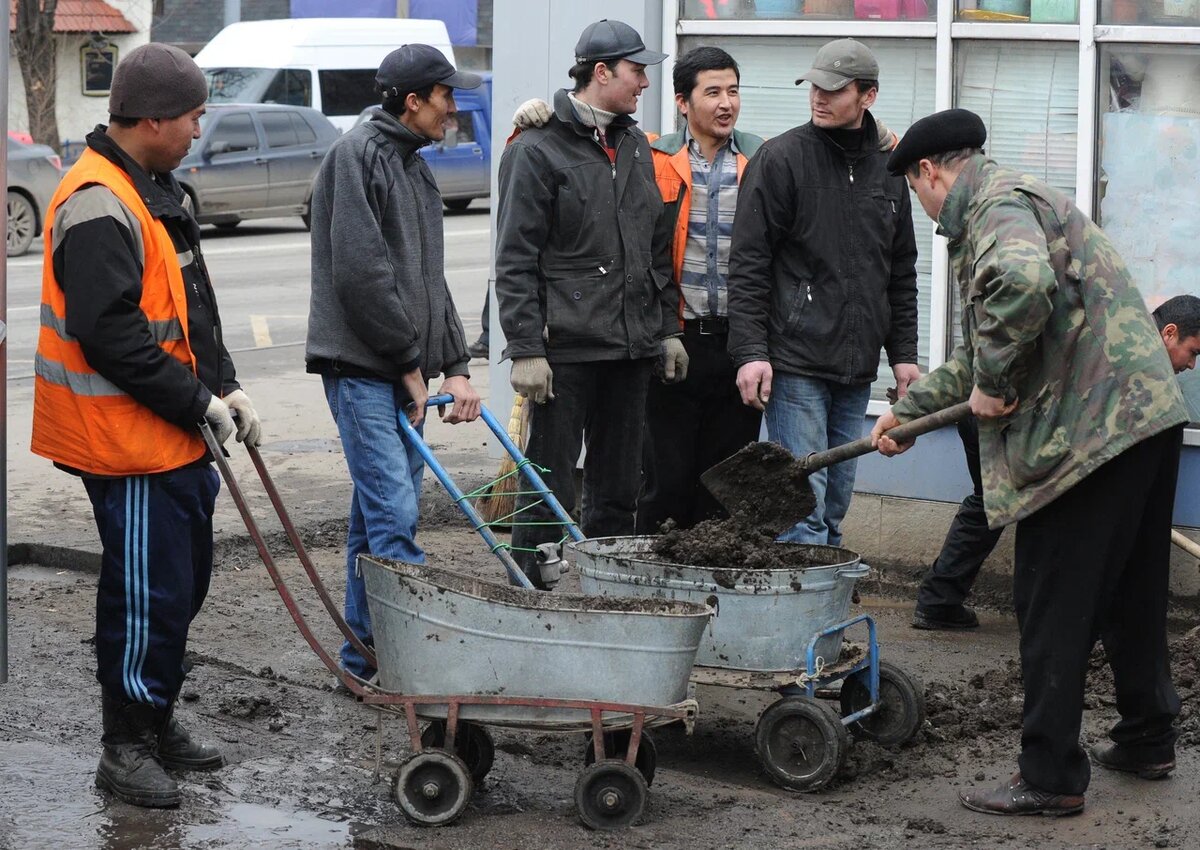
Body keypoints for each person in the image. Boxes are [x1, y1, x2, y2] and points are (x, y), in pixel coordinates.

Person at [873, 108, 1190, 815]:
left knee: (1051, 597)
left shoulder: (992, 208)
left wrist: (992, 385)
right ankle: (1146, 735)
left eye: (916, 191)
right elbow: (985, 343)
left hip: (1091, 432)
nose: (922, 209)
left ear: (930, 172)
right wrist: (911, 413)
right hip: (1145, 415)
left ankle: (1048, 776)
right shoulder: (1023, 198)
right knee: (1132, 591)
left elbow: (1019, 288)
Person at [31, 43, 261, 808]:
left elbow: (192, 310)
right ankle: (124, 747)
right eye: (194, 115)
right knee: (144, 596)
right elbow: (111, 334)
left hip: (172, 435)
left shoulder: (158, 188)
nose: (201, 128)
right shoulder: (97, 200)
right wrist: (198, 403)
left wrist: (226, 385)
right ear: (154, 119)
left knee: (181, 584)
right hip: (126, 443)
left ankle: (154, 718)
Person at [306, 44, 482, 683]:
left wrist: (455, 362)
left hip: (399, 370)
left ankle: (363, 661)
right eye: (445, 97)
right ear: (414, 101)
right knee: (396, 517)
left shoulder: (413, 167)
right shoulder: (357, 157)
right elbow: (361, 275)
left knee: (374, 519)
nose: (453, 110)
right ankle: (415, 667)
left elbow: (427, 282)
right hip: (359, 369)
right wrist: (410, 363)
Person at [494, 19, 678, 586]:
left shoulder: (635, 147)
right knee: (548, 482)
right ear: (602, 73)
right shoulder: (537, 149)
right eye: (636, 70)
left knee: (620, 486)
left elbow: (653, 249)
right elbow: (515, 258)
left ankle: (608, 591)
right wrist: (526, 348)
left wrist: (665, 329)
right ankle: (530, 589)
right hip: (564, 353)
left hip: (629, 349)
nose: (645, 82)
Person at [727, 38, 919, 547]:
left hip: (857, 365)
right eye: (814, 86)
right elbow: (748, 265)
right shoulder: (781, 160)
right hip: (796, 361)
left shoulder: (890, 168)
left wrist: (903, 355)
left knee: (835, 503)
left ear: (868, 96)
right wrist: (750, 353)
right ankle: (800, 619)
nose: (819, 97)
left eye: (834, 90)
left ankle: (823, 618)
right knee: (803, 508)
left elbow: (900, 270)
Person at [912, 292, 1200, 631]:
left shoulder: (1127, 333)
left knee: (995, 506)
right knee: (1021, 509)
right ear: (1169, 332)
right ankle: (1042, 620)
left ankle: (942, 601)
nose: (1192, 365)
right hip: (999, 413)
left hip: (1002, 412)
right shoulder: (1130, 346)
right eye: (1193, 352)